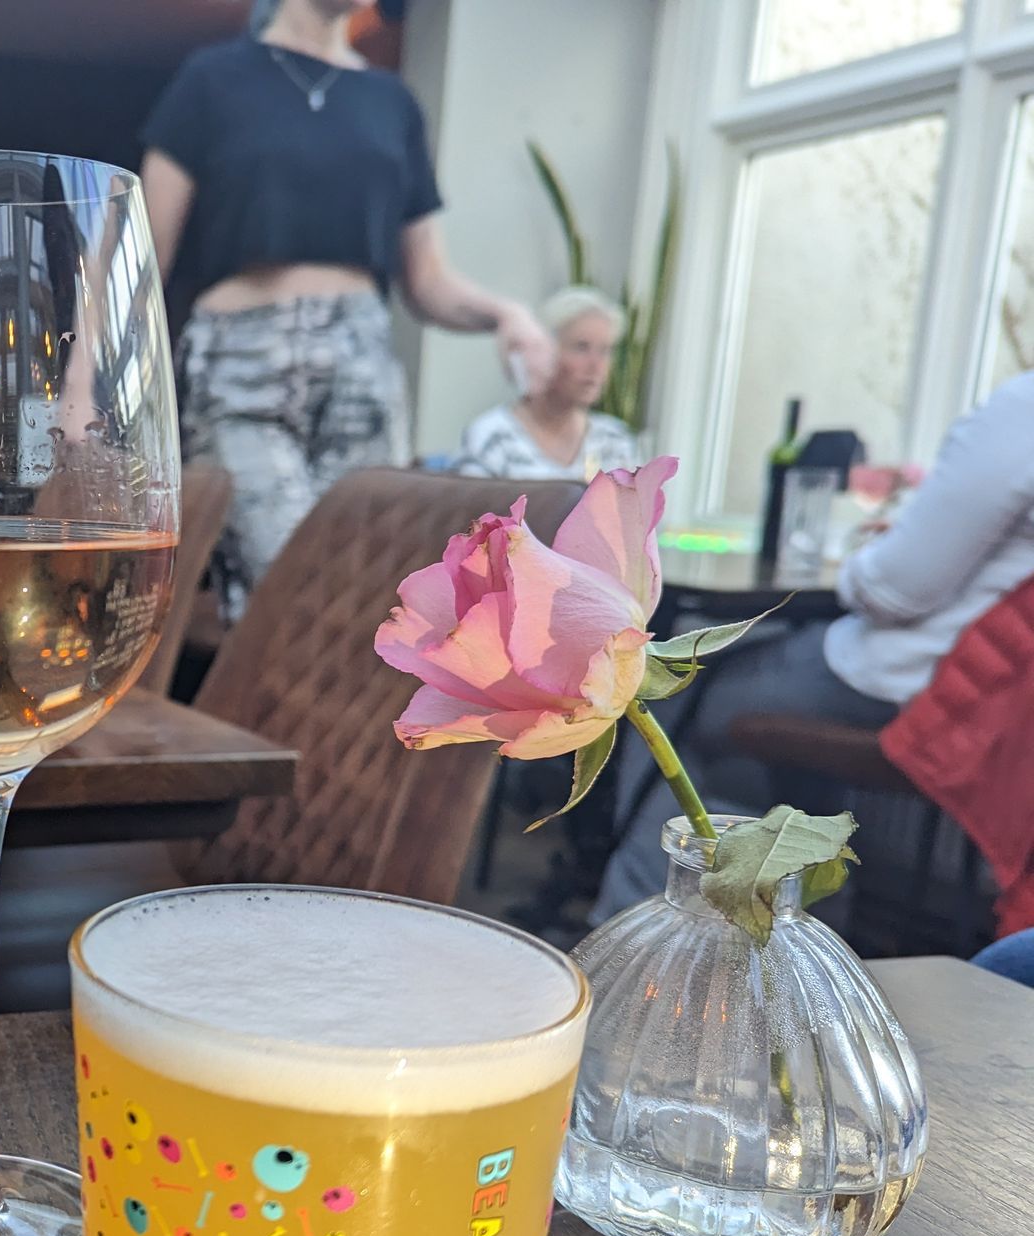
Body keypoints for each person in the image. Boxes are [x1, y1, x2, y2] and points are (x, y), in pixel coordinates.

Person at [141, 0, 553, 616]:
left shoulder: (392, 103)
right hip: (240, 361)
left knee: (366, 593)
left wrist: (506, 314)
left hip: (361, 364)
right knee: (280, 589)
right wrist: (83, 383)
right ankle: (256, 713)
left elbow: (428, 278)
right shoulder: (212, 79)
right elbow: (140, 256)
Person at [593, 368, 1034, 919]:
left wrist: (861, 564)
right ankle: (796, 926)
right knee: (767, 665)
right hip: (1006, 727)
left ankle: (643, 928)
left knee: (671, 690)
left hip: (929, 699)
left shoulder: (1022, 410)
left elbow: (893, 593)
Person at [456, 286, 641, 480]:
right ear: (543, 350)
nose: (596, 366)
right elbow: (470, 509)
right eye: (581, 347)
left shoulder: (617, 443)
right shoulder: (493, 437)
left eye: (605, 351)